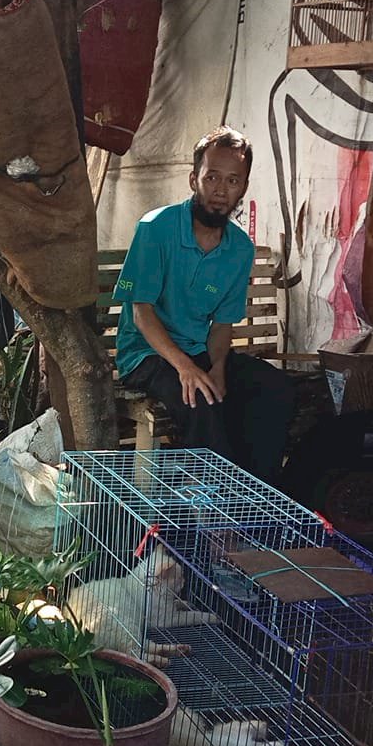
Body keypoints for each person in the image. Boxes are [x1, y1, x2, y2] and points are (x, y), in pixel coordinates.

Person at [112, 126, 296, 481]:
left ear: (243, 187)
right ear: (194, 178)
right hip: (146, 355)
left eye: (232, 181)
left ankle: (255, 496)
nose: (220, 190)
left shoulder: (239, 249)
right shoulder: (156, 228)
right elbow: (141, 311)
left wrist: (217, 367)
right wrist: (186, 367)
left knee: (275, 390)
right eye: (212, 177)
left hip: (197, 353)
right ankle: (208, 511)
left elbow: (222, 325)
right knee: (201, 398)